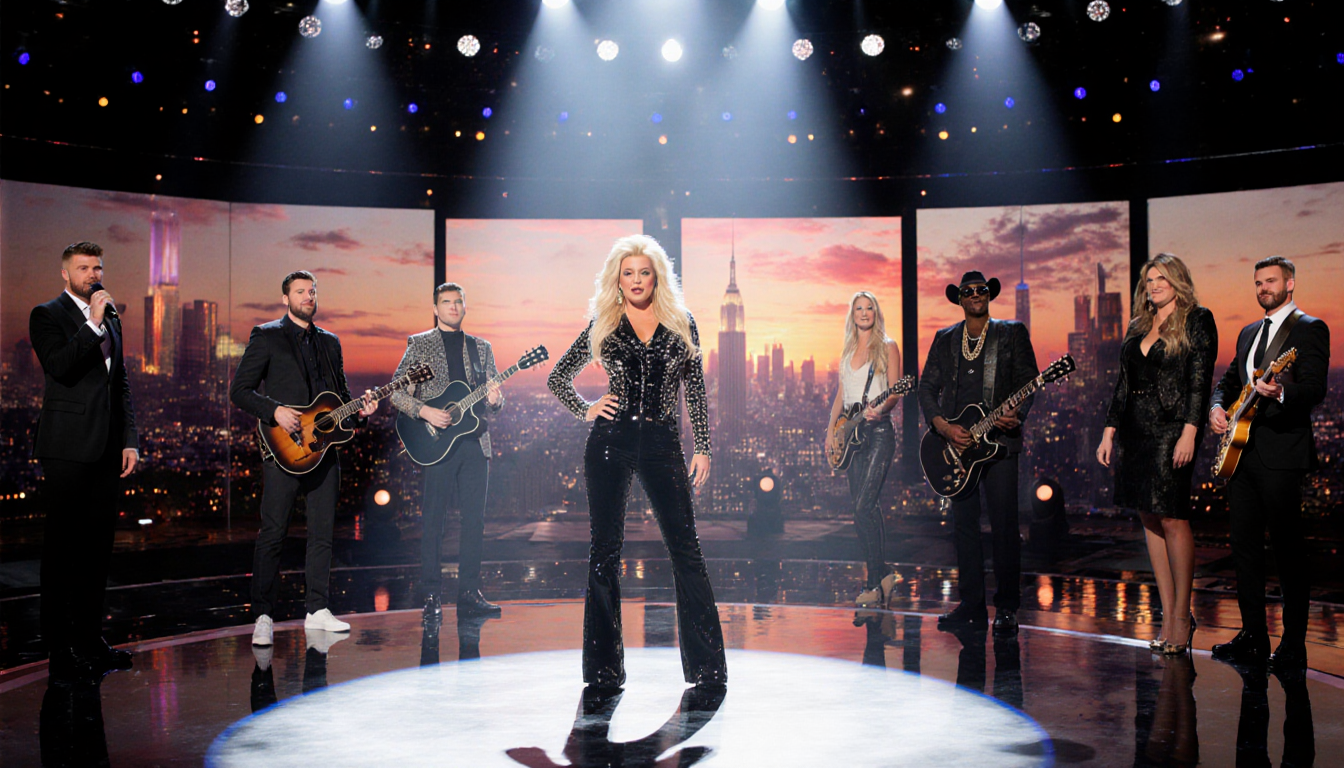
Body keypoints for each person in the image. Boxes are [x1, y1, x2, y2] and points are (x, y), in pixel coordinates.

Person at [548, 234, 727, 689]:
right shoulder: (604, 323)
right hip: (611, 440)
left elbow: (695, 390)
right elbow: (558, 377)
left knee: (686, 548)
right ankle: (603, 670)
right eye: (627, 273)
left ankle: (707, 668)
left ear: (656, 277)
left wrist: (703, 446)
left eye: (644, 272)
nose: (636, 280)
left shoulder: (682, 322)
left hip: (663, 441)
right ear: (617, 279)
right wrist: (586, 408)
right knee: (605, 551)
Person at [230, 270, 378, 646]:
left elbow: (341, 397)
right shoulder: (266, 336)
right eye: (300, 292)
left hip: (324, 450)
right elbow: (240, 391)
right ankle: (263, 616)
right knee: (273, 533)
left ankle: (317, 610)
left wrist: (361, 411)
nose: (308, 296)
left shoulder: (330, 342)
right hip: (284, 450)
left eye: (312, 291)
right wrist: (274, 411)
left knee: (323, 533)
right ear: (286, 298)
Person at [1209, 256, 1330, 672]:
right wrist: (1216, 408)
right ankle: (1253, 636)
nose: (1263, 288)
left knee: (1287, 550)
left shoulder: (1310, 328)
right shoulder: (1247, 332)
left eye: (1271, 281)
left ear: (1290, 283)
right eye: (1258, 282)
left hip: (1282, 454)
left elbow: (1315, 389)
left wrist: (1280, 392)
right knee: (1243, 548)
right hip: (1242, 455)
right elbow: (1229, 382)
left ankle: (1293, 643)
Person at [1097, 254, 1217, 655]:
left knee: (1172, 516)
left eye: (1162, 278)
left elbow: (1200, 381)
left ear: (1178, 281)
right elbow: (1122, 385)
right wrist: (1109, 432)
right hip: (1135, 431)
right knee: (1148, 515)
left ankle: (1183, 616)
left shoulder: (1198, 319)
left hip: (1172, 429)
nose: (1154, 285)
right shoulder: (1137, 325)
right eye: (1149, 279)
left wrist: (1190, 432)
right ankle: (1167, 616)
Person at [29, 241, 139, 679]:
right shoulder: (47, 315)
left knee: (97, 550)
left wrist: (129, 439)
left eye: (97, 267)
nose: (93, 274)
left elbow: (119, 381)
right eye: (83, 268)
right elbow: (59, 366)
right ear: (65, 273)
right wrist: (92, 323)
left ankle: (91, 640)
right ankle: (60, 648)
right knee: (62, 550)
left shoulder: (111, 317)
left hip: (107, 449)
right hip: (66, 447)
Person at [917, 271, 1039, 637]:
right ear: (959, 298)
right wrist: (943, 427)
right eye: (968, 291)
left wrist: (1017, 414)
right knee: (964, 528)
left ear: (989, 295)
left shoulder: (1011, 333)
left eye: (981, 290)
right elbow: (926, 388)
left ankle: (1006, 607)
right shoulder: (945, 339)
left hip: (999, 445)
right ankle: (971, 605)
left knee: (1004, 528)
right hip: (957, 448)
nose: (975, 294)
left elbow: (1029, 381)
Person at [390, 282, 504, 620]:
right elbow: (396, 392)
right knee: (434, 520)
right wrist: (425, 411)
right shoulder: (420, 344)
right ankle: (431, 594)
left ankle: (469, 593)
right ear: (435, 309)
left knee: (475, 522)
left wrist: (496, 399)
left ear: (465, 307)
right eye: (446, 302)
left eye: (458, 302)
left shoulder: (482, 348)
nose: (453, 307)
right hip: (437, 443)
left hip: (475, 443)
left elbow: (495, 400)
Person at [825, 291, 901, 607]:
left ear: (876, 313)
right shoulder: (847, 351)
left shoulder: (888, 346)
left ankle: (872, 583)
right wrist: (831, 431)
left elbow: (895, 391)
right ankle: (884, 575)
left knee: (862, 507)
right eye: (859, 308)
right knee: (865, 511)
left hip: (879, 434)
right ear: (852, 314)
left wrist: (881, 409)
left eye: (870, 308)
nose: (865, 312)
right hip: (852, 436)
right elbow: (841, 396)